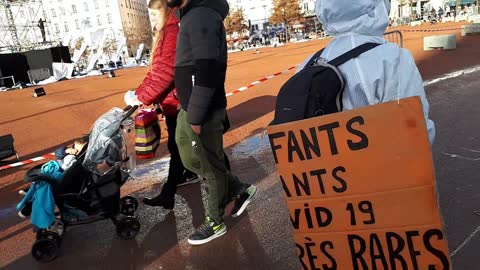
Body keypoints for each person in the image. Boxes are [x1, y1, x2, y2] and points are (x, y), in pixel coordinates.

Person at [166, 0, 257, 245]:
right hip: (191, 106)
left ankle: (215, 222)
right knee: (189, 157)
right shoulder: (191, 15)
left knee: (209, 163)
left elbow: (206, 69)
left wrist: (196, 114)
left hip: (202, 109)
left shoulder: (201, 14)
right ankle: (238, 187)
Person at [299, 0, 435, 145]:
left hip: (327, 165)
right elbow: (416, 131)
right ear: (375, 7)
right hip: (382, 164)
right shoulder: (393, 58)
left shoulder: (306, 66)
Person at [133, 0, 199, 210]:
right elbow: (155, 71)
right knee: (182, 147)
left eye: (155, 14)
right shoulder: (166, 33)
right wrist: (139, 93)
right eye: (150, 15)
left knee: (194, 148)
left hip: (178, 102)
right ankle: (170, 191)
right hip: (174, 102)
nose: (152, 19)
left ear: (168, 11)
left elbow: (164, 73)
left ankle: (236, 188)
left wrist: (140, 97)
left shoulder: (171, 33)